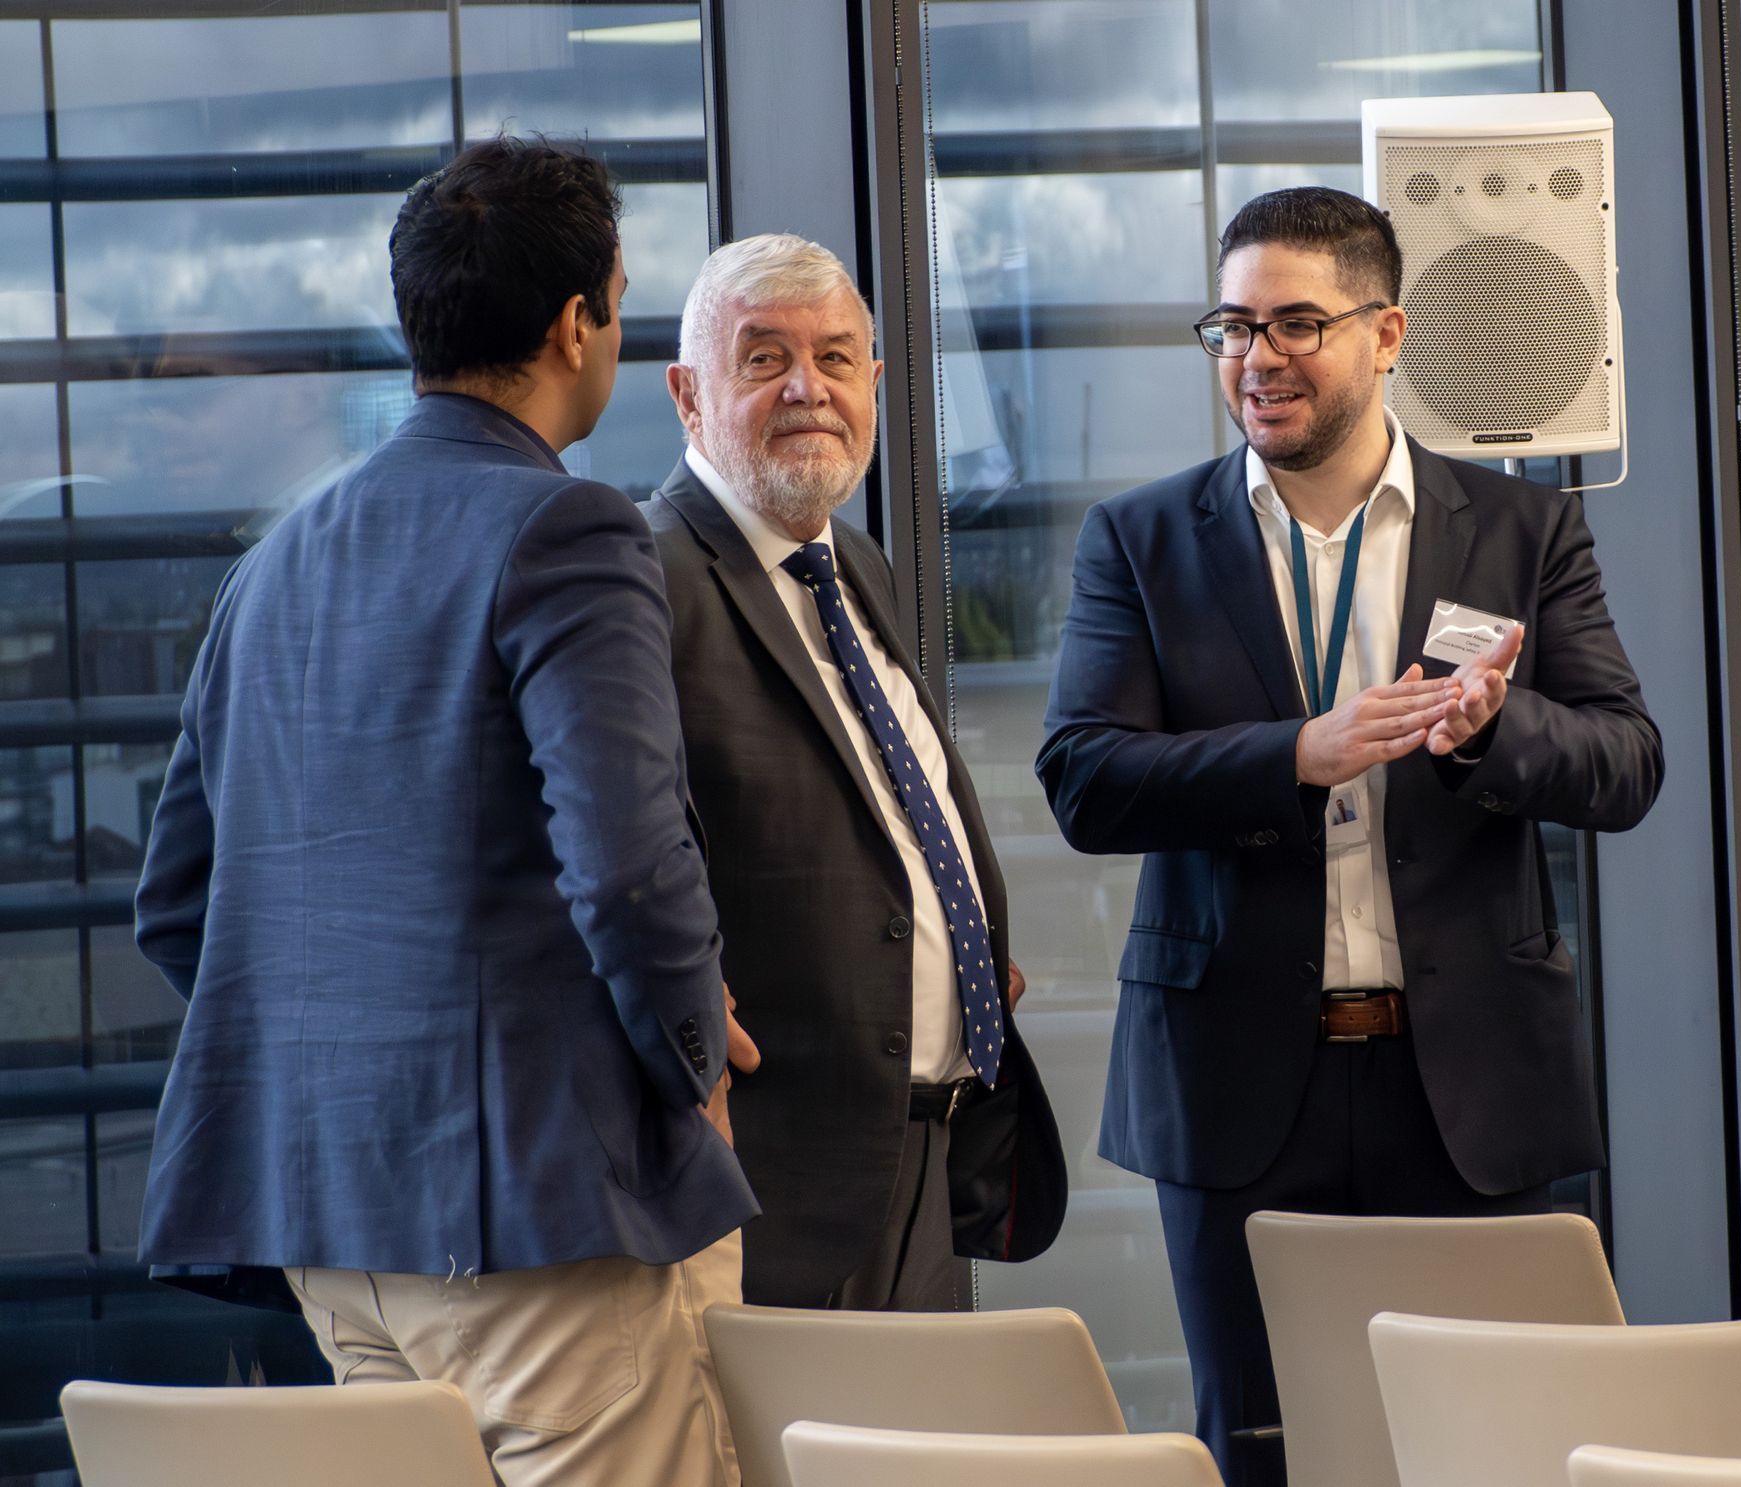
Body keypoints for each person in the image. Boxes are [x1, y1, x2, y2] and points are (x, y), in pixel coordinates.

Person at [133, 137, 757, 1487]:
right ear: (577, 323)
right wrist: (693, 1056)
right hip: (544, 1230)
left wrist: (376, 1067)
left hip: (335, 1235)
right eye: (619, 301)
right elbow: (630, 872)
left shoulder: (276, 561)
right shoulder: (572, 529)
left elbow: (178, 901)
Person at [1036, 187, 1662, 1484]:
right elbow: (1086, 778)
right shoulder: (1141, 540)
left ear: (1387, 334)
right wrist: (1294, 753)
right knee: (1266, 1447)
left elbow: (1626, 761)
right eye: (1232, 326)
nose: (1256, 357)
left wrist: (1493, 732)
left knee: (1490, 1448)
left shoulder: (1522, 529)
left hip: (1468, 1080)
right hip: (1238, 1084)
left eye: (1296, 324)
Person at [640, 233, 1067, 1310]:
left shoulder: (852, 561)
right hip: (772, 1174)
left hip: (926, 1147)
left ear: (874, 382)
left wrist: (961, 953)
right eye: (764, 358)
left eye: (835, 358)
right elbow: (609, 846)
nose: (808, 387)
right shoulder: (644, 575)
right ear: (687, 395)